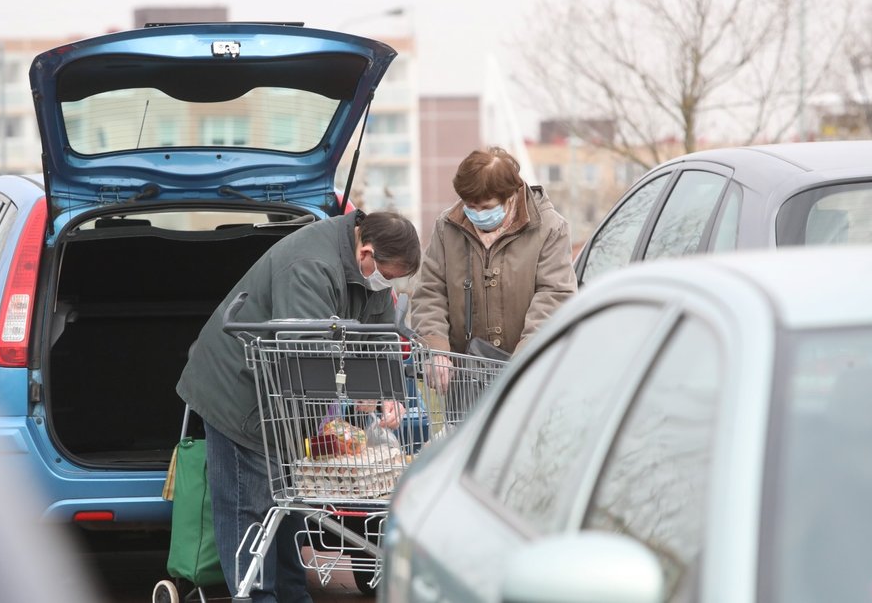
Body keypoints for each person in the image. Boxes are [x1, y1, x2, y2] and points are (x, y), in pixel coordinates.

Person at [175, 209, 421, 603]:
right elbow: (304, 350)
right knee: (248, 508)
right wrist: (355, 388)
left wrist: (389, 390)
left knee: (284, 508)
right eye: (386, 275)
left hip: (283, 401)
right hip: (238, 391)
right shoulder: (310, 265)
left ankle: (291, 594)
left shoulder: (368, 270)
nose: (385, 284)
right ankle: (256, 596)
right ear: (366, 252)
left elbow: (380, 335)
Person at [412, 146, 577, 388]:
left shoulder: (549, 228)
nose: (477, 213)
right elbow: (430, 291)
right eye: (470, 206)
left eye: (487, 207)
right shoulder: (447, 228)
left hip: (530, 378)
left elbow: (554, 295)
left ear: (510, 196)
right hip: (466, 378)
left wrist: (526, 359)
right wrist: (436, 349)